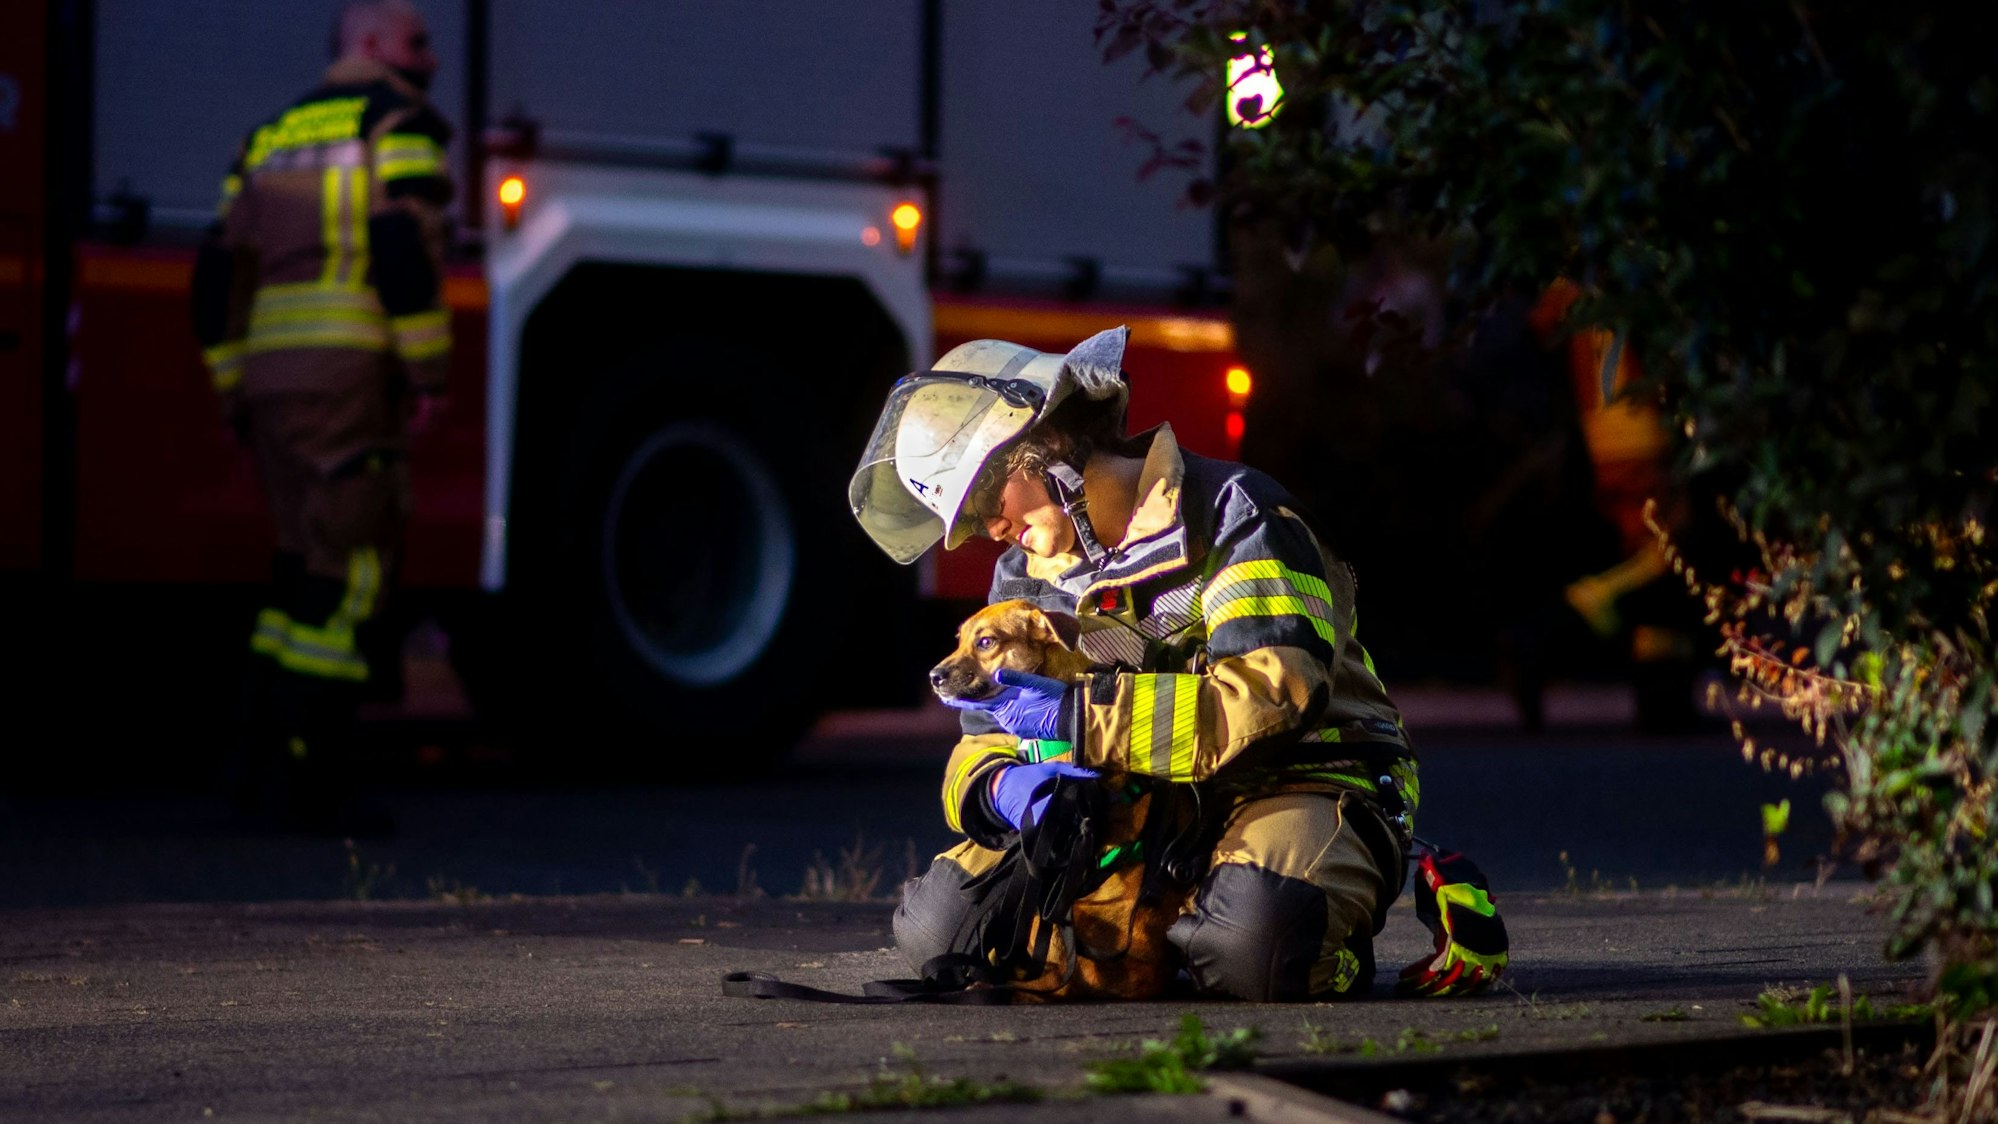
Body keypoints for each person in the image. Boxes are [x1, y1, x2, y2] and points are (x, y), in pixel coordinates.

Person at [849, 327, 1505, 1001]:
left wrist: (1081, 719)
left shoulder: (1236, 516)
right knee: (942, 932)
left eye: (987, 500)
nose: (988, 529)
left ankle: (1328, 944)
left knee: (1259, 945)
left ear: (1042, 451)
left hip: (1297, 777)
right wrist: (1002, 790)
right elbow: (985, 737)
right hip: (1144, 802)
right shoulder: (1025, 572)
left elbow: (1274, 695)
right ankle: (1181, 930)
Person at [190, 0, 454, 831]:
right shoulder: (396, 122)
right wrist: (430, 373)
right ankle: (316, 785)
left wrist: (234, 383)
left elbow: (212, 274)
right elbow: (404, 251)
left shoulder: (266, 137)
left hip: (271, 384)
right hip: (346, 379)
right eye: (418, 42)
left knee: (300, 571)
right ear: (371, 46)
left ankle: (250, 767)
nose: (433, 59)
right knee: (353, 578)